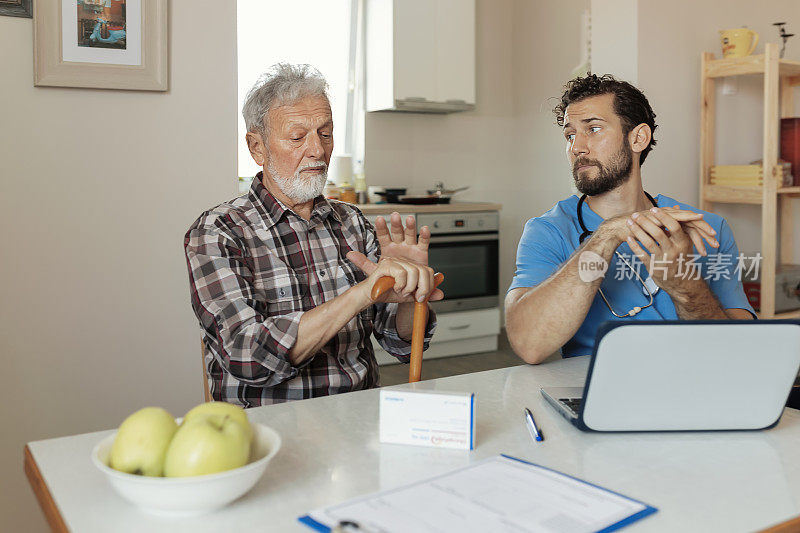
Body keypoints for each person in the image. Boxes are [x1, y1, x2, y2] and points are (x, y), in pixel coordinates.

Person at [184, 63, 441, 406]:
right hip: (267, 433)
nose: (318, 150)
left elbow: (402, 344)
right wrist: (362, 294)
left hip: (357, 422)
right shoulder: (218, 232)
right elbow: (246, 357)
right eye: (297, 137)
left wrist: (410, 298)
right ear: (257, 147)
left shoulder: (352, 222)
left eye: (325, 133)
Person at [505, 74, 755, 364]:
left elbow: (738, 350)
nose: (576, 147)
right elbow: (528, 344)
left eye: (594, 129)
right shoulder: (548, 231)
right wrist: (607, 235)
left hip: (693, 383)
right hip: (597, 390)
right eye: (570, 135)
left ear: (638, 138)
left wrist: (685, 286)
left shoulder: (706, 228)